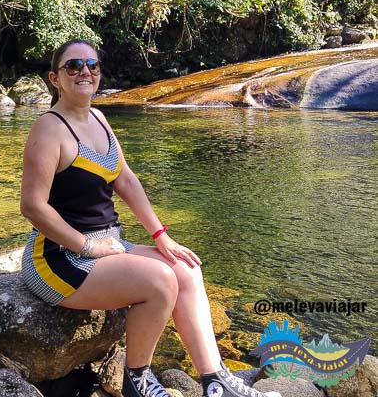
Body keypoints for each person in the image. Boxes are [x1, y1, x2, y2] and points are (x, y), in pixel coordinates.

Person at [21, 39, 281, 397]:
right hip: (57, 258)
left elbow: (124, 178)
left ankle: (215, 381)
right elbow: (33, 207)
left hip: (106, 243)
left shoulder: (98, 118)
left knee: (185, 268)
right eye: (73, 66)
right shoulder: (49, 129)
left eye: (92, 65)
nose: (85, 71)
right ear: (55, 78)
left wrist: (161, 235)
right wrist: (87, 245)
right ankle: (137, 381)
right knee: (160, 281)